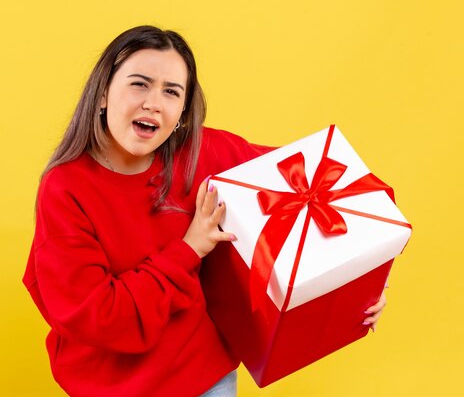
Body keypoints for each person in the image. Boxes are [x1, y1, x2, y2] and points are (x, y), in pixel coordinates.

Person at [22, 25, 387, 397]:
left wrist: (365, 277)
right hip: (111, 387)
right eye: (139, 84)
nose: (153, 103)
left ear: (182, 110)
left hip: (205, 380)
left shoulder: (204, 152)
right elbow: (100, 316)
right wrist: (189, 248)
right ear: (102, 94)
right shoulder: (65, 188)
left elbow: (319, 186)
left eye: (171, 92)